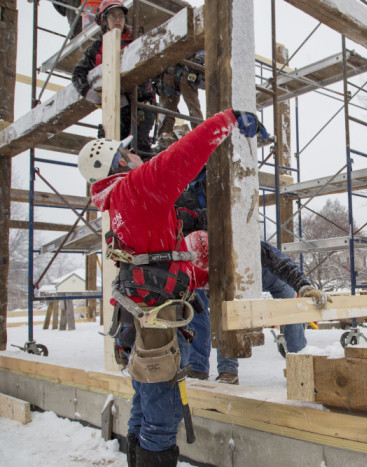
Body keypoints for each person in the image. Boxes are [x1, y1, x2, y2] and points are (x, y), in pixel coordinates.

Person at [77, 108, 267, 466]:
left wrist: (195, 272)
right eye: (127, 151)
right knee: (162, 417)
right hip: (157, 323)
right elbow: (183, 156)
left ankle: (137, 457)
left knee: (145, 403)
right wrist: (228, 120)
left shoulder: (120, 201)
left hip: (142, 317)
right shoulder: (137, 187)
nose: (136, 153)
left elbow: (154, 259)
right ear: (119, 162)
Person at [176, 173, 317, 384]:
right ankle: (212, 369)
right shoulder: (182, 254)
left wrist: (303, 284)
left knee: (284, 291)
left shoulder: (236, 238)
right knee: (204, 306)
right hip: (201, 262)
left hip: (240, 265)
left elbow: (274, 257)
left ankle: (300, 359)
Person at [183, 235, 323, 384]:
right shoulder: (195, 263)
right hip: (228, 279)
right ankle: (227, 371)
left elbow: (281, 262)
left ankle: (300, 364)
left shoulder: (245, 244)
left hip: (267, 276)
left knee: (291, 306)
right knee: (225, 312)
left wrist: (303, 285)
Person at [72, 0, 157, 156]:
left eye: (121, 16)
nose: (118, 20)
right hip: (119, 106)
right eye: (113, 16)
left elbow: (154, 64)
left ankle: (147, 165)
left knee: (138, 145)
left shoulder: (136, 39)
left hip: (142, 102)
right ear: (103, 20)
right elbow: (78, 73)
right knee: (110, 148)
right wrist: (90, 93)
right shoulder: (97, 49)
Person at [154, 50, 205, 151]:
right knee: (167, 111)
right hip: (170, 71)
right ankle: (164, 140)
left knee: (192, 107)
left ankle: (200, 137)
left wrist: (198, 61)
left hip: (186, 70)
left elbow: (202, 49)